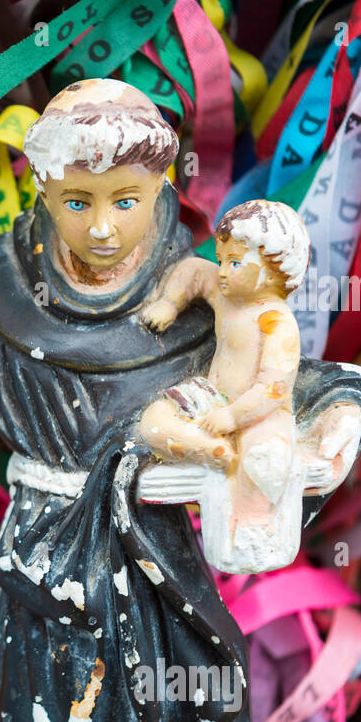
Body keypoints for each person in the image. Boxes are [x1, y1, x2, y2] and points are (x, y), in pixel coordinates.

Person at [0, 79, 361, 722]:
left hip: (154, 588)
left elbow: (285, 380)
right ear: (43, 186)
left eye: (126, 201)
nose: (101, 227)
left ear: (162, 185)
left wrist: (338, 416)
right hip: (39, 572)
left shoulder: (206, 293)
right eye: (77, 201)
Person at [139, 200, 308, 559]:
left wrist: (233, 418)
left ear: (274, 270)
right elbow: (191, 272)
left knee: (265, 460)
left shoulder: (276, 323)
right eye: (222, 260)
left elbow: (274, 389)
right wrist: (169, 304)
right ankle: (211, 451)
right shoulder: (225, 293)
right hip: (212, 396)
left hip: (260, 413)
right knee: (153, 423)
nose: (223, 271)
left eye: (234, 263)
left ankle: (251, 535)